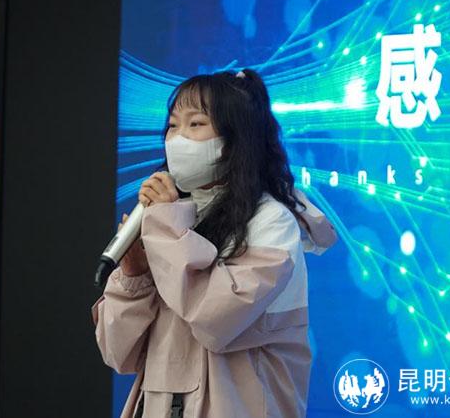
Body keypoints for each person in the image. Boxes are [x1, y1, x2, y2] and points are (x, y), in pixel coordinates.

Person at [91, 68, 337, 417]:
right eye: (172, 126)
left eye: (195, 124)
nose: (177, 139)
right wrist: (135, 274)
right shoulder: (170, 217)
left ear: (236, 138)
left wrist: (167, 228)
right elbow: (117, 353)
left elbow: (216, 320)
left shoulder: (271, 222)